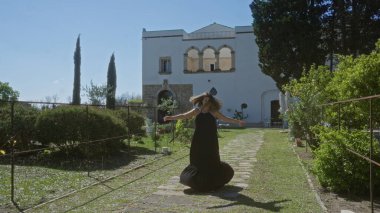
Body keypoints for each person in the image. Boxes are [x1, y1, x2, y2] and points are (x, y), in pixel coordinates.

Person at [164, 92, 245, 192]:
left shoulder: (213, 112)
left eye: (208, 99)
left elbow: (225, 118)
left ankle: (212, 183)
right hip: (198, 140)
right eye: (204, 99)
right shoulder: (197, 111)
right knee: (198, 161)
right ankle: (199, 183)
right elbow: (184, 115)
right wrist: (171, 118)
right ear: (202, 100)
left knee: (212, 161)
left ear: (211, 101)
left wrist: (238, 121)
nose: (206, 101)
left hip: (211, 141)